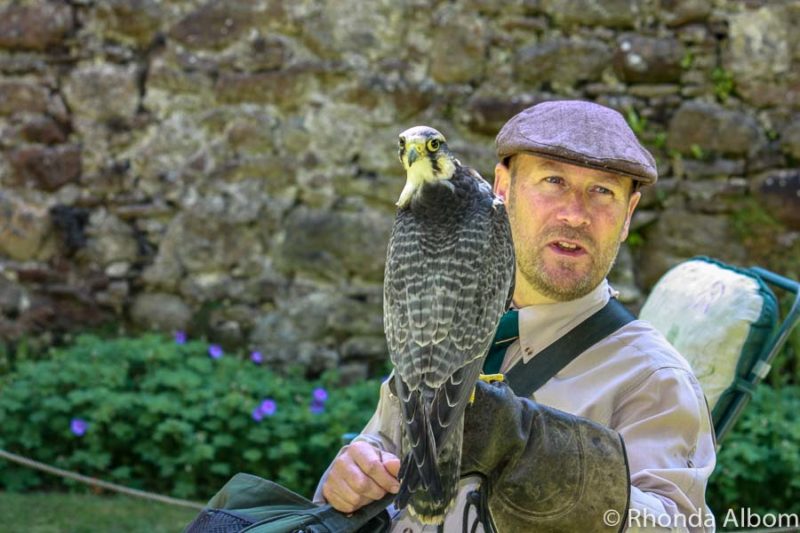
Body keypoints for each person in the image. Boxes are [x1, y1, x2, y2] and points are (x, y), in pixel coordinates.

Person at [314, 100, 717, 532]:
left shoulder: (650, 377)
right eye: (553, 181)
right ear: (502, 188)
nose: (574, 213)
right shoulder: (443, 322)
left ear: (627, 216)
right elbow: (369, 462)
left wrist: (545, 462)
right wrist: (347, 483)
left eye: (603, 191)